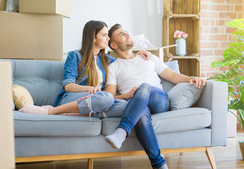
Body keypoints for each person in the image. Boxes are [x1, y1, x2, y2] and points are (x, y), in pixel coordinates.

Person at [103, 24, 207, 169]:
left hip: (159, 100)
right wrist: (124, 95)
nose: (128, 35)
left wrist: (191, 78)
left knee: (144, 87)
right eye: (122, 34)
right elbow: (108, 97)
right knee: (142, 116)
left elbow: (172, 76)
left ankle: (122, 131)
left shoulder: (147, 57)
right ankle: (161, 167)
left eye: (127, 32)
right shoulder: (113, 67)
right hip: (136, 104)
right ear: (114, 45)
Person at [20, 20, 149, 117]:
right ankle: (52, 111)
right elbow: (68, 86)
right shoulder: (75, 56)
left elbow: (125, 61)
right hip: (73, 97)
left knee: (126, 106)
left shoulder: (108, 60)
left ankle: (73, 113)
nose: (108, 38)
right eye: (104, 35)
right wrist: (90, 89)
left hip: (98, 99)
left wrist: (138, 54)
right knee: (106, 98)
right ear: (93, 38)